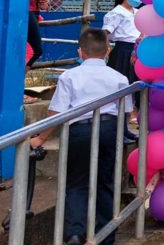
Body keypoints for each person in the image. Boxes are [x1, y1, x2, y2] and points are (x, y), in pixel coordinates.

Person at [30, 29, 129, 245]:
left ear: (80, 52)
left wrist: (40, 139)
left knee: (76, 182)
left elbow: (56, 113)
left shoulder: (69, 76)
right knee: (105, 181)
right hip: (109, 130)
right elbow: (125, 112)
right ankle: (105, 235)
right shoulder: (120, 78)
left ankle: (75, 233)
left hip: (80, 132)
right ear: (108, 51)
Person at [103, 0, 141, 143]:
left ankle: (125, 129)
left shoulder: (138, 12)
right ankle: (119, 130)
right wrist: (105, 49)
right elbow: (105, 33)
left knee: (133, 91)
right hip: (123, 51)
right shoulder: (116, 13)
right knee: (122, 90)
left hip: (137, 51)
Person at [27, 0, 49, 69]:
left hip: (34, 8)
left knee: (29, 49)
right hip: (26, 9)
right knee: (35, 50)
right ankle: (16, 80)